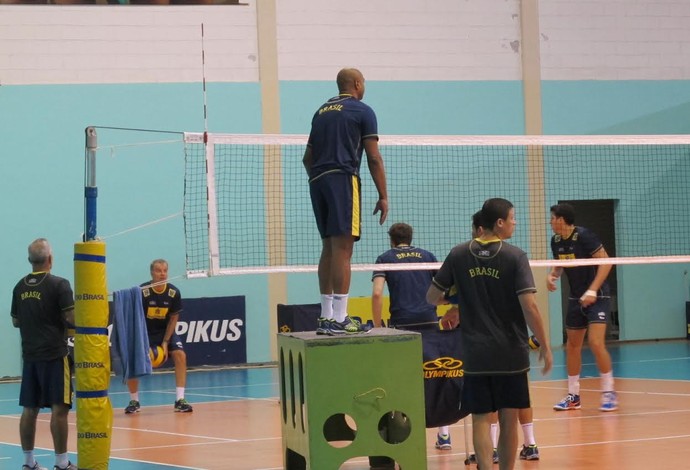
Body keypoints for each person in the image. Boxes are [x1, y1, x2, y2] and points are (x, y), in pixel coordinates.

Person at [426, 198, 552, 470]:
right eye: (513, 218)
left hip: (475, 352)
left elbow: (433, 297)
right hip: (510, 353)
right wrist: (545, 343)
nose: (515, 223)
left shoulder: (458, 253)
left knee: (481, 418)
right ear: (499, 223)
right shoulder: (515, 256)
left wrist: (459, 298)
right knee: (508, 418)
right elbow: (529, 306)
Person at [303, 67, 388, 335]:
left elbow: (308, 158)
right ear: (357, 83)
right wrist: (384, 195)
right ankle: (340, 318)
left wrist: (321, 179)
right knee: (343, 249)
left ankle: (326, 316)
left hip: (317, 180)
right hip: (342, 179)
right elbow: (373, 157)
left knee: (328, 248)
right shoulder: (362, 111)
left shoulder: (320, 112)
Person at [371, 222, 452, 450]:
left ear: (391, 239)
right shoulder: (427, 256)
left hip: (401, 325)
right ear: (410, 237)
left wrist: (378, 326)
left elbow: (377, 294)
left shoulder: (385, 257)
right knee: (436, 374)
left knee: (401, 379)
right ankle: (444, 434)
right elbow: (445, 291)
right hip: (429, 321)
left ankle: (403, 437)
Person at [11, 238, 77, 470]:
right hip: (55, 355)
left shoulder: (19, 286)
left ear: (30, 260)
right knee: (60, 409)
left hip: (30, 356)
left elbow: (16, 321)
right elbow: (72, 318)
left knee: (30, 410)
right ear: (50, 259)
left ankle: (29, 463)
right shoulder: (59, 284)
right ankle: (62, 463)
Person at [548, 203, 618, 412]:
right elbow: (560, 263)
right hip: (575, 298)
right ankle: (573, 396)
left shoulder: (585, 236)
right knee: (572, 346)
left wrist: (593, 290)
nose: (550, 222)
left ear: (561, 219)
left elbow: (606, 262)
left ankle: (609, 393)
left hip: (597, 295)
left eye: (552, 218)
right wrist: (553, 275)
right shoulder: (556, 241)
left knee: (596, 343)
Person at [124, 259, 193, 414]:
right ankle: (134, 401)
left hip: (164, 332)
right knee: (132, 358)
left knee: (180, 355)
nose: (162, 274)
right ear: (152, 273)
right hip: (144, 332)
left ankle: (180, 400)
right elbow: (136, 318)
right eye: (158, 270)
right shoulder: (143, 291)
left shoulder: (173, 293)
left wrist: (165, 342)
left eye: (164, 271)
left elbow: (174, 318)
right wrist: (143, 342)